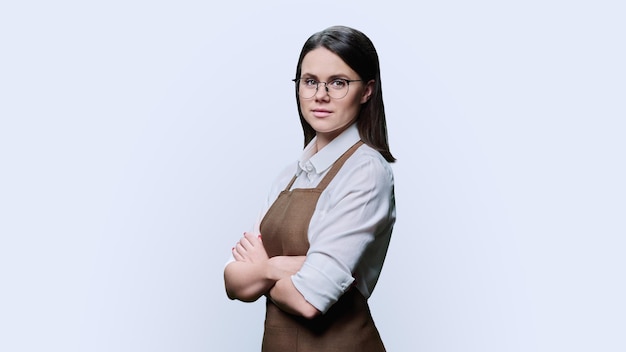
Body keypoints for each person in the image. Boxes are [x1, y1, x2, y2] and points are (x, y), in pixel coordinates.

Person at [223, 25, 396, 352]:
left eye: (338, 83)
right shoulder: (289, 175)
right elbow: (233, 281)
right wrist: (277, 266)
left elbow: (307, 299)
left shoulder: (366, 171)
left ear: (367, 91)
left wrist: (260, 272)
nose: (320, 94)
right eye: (310, 81)